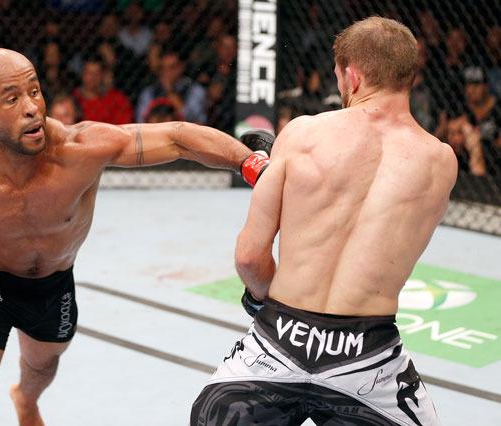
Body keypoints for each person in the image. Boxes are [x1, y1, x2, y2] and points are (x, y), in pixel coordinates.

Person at [0, 48, 270, 426]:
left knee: (40, 370)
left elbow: (177, 138)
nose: (31, 108)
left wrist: (249, 161)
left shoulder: (81, 148)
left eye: (35, 91)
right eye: (12, 99)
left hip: (53, 287)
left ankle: (25, 398)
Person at [191, 17, 457, 425]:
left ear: (352, 76)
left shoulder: (301, 135)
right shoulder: (440, 162)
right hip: (369, 357)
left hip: (280, 339)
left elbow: (249, 258)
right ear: (409, 77)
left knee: (215, 414)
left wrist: (263, 299)